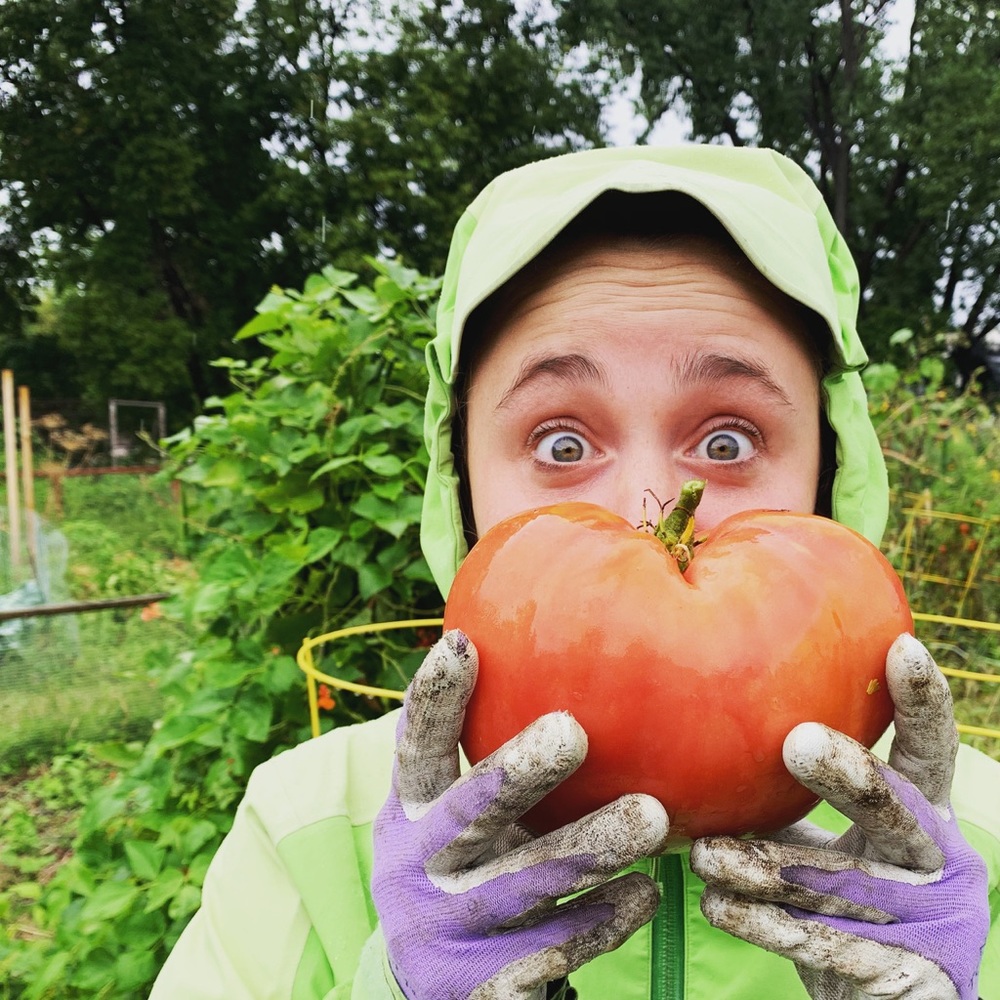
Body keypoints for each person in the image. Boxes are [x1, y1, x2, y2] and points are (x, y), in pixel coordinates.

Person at [149, 145, 1000, 1000]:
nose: (648, 510)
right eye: (561, 444)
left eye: (727, 442)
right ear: (462, 486)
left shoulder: (979, 845)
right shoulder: (309, 824)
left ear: (828, 475)